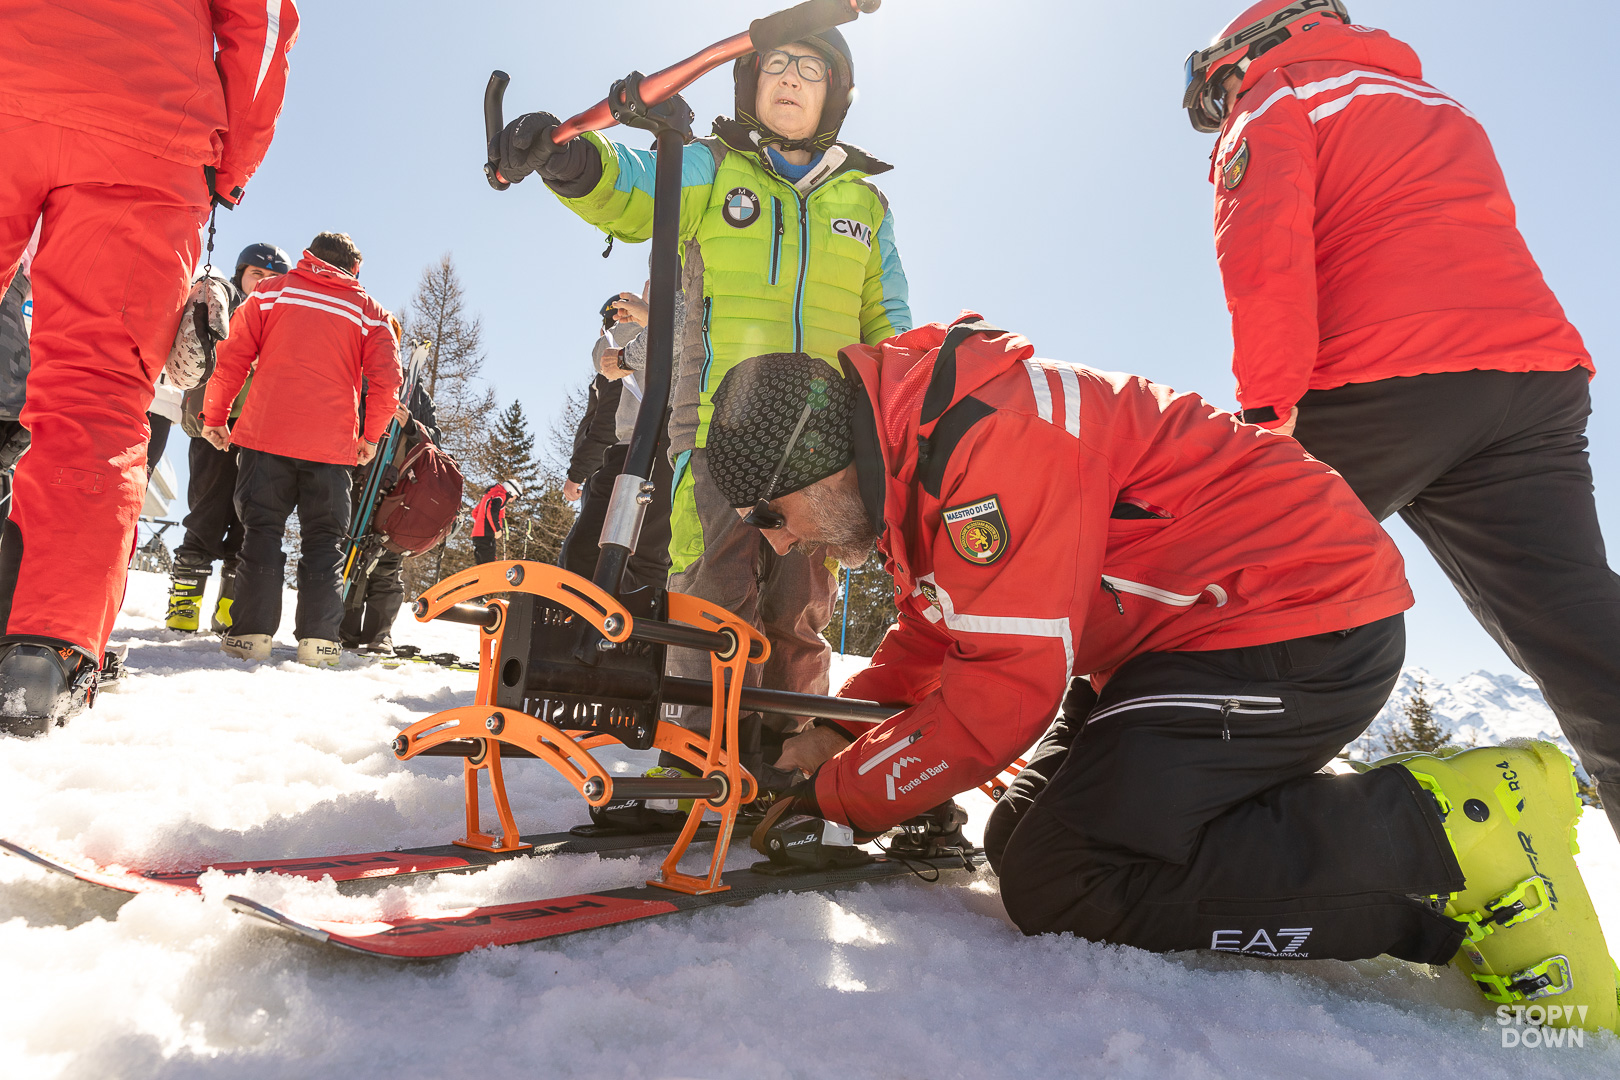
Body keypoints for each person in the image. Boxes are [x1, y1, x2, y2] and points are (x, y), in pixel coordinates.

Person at [707, 319, 1617, 1029]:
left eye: (770, 515)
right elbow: (937, 633)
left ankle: (1455, 838)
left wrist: (842, 793)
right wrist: (839, 733)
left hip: (1295, 621)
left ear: (821, 467)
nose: (778, 541)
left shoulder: (989, 445)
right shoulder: (922, 446)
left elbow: (1002, 693)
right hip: (1201, 635)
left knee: (1068, 880)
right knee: (1024, 838)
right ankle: (1357, 832)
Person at [1184, 1, 1620, 836]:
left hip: (1385, 378)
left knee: (1214, 576)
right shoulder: (1434, 100)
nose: (1224, 101)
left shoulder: (1277, 96)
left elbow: (1266, 257)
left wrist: (1268, 413)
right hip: (1533, 379)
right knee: (1579, 628)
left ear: (1244, 53)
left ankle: (1127, 803)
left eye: (1218, 86)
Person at [490, 28, 911, 801]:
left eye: (810, 69)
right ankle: (698, 754)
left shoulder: (865, 204)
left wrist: (889, 430)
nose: (790, 79)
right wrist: (571, 160)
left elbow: (890, 328)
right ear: (750, 84)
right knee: (712, 591)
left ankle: (788, 760)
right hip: (719, 425)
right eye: (776, 65)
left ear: (835, 95)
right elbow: (636, 187)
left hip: (824, 444)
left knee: (799, 610)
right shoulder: (715, 168)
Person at [0, 0, 299, 732]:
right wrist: (229, 168)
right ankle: (42, 655)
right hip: (148, 115)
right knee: (94, 393)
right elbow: (261, 20)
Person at [199, 232, 399, 667]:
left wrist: (215, 416)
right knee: (325, 541)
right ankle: (319, 643)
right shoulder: (370, 312)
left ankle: (250, 635)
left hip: (266, 436)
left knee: (262, 532)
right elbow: (387, 383)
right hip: (331, 447)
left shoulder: (270, 293)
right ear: (355, 269)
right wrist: (370, 438)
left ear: (309, 258)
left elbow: (231, 358)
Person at [166, 242, 293, 635]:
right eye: (257, 274)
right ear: (241, 275)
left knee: (247, 524)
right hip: (213, 428)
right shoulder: (227, 304)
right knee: (205, 514)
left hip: (260, 434)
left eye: (274, 278)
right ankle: (184, 604)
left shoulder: (286, 319)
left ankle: (229, 609)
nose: (264, 282)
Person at [558, 290, 674, 590]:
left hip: (637, 450)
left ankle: (585, 611)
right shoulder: (649, 337)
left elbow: (606, 419)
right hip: (649, 449)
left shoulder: (634, 343)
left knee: (590, 552)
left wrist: (578, 472)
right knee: (641, 555)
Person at [340, 372, 442, 655]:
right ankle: (344, 630)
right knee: (352, 557)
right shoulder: (363, 379)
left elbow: (434, 441)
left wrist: (411, 425)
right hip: (359, 483)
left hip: (399, 491)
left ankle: (379, 635)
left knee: (387, 563)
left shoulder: (418, 395)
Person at [470, 480, 523, 565]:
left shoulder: (490, 494)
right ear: (511, 492)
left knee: (481, 564)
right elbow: (492, 512)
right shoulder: (500, 496)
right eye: (514, 497)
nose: (511, 501)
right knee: (488, 565)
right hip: (486, 535)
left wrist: (482, 524)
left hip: (478, 535)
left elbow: (475, 512)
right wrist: (497, 529)